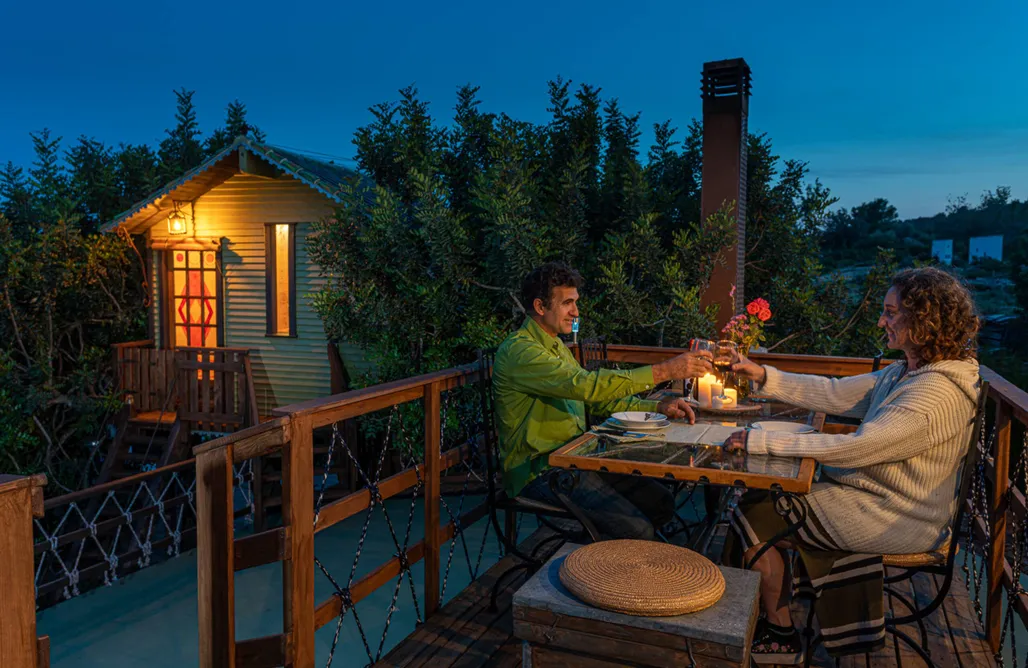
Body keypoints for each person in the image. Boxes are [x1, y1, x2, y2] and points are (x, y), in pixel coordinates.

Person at [721, 266, 981, 664]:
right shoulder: (908, 372)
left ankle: (780, 634)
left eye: (891, 312)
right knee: (762, 499)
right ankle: (764, 614)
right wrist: (762, 375)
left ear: (925, 319)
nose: (882, 321)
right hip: (873, 498)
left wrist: (765, 440)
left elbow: (861, 448)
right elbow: (834, 393)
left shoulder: (936, 393)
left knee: (758, 511)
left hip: (899, 517)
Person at [492, 262, 713, 541]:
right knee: (638, 530)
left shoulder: (555, 345)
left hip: (574, 456)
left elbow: (596, 403)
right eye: (567, 303)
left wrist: (656, 407)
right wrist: (665, 372)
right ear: (540, 306)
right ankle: (600, 573)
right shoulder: (520, 352)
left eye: (576, 302)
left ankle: (597, 555)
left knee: (661, 503)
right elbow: (588, 387)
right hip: (539, 471)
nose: (576, 311)